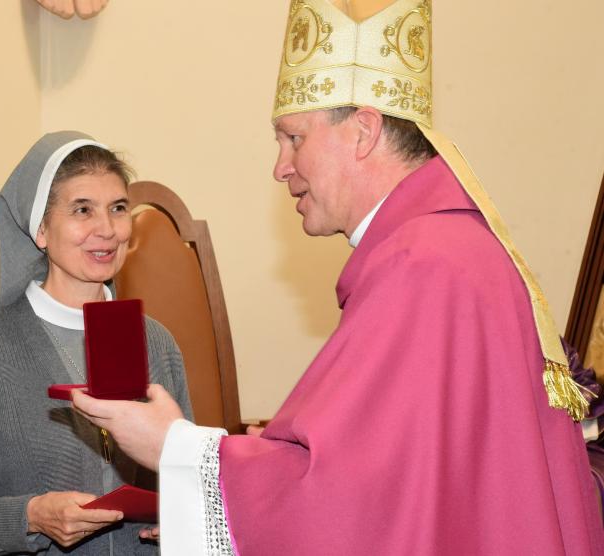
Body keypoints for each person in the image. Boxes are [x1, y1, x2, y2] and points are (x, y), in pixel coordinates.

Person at [71, 1, 604, 554]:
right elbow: (405, 477)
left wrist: (174, 447)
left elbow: (348, 504)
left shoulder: (423, 266)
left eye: (293, 138)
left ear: (363, 131)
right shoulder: (448, 248)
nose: (280, 166)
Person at [0, 131, 192, 555]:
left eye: (118, 208)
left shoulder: (157, 343)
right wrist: (30, 516)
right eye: (83, 209)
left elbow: (188, 478)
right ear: (41, 229)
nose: (107, 229)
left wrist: (185, 517)